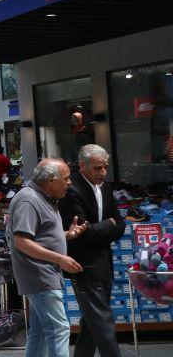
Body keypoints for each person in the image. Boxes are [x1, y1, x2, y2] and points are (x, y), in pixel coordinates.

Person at [7, 158, 88, 357]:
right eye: (66, 178)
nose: (70, 182)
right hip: (40, 275)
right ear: (51, 179)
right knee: (59, 329)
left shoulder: (42, 197)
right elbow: (22, 241)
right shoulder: (29, 200)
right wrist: (60, 259)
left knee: (41, 331)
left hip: (42, 274)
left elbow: (39, 236)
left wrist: (66, 235)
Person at [59, 145, 125, 357]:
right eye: (97, 168)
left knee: (92, 320)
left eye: (105, 167)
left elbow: (120, 224)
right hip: (82, 263)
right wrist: (109, 225)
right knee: (102, 318)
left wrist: (103, 227)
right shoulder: (72, 189)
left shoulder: (106, 188)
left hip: (104, 261)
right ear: (82, 166)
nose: (102, 172)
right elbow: (82, 232)